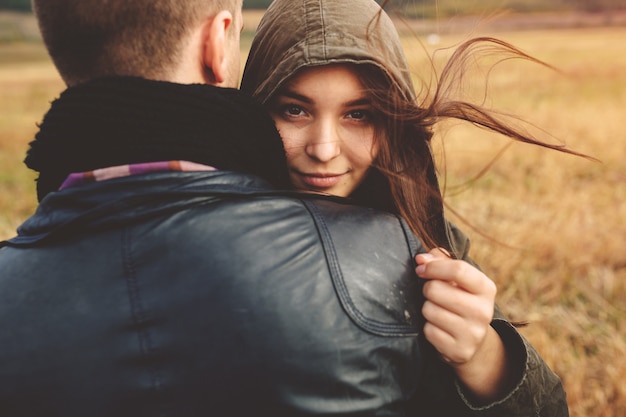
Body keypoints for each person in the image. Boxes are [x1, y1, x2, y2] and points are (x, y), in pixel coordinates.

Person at [241, 0, 570, 415]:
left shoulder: (426, 236)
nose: (323, 149)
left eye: (358, 114)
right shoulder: (202, 233)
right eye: (295, 109)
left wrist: (483, 356)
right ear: (254, 107)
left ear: (392, 123)